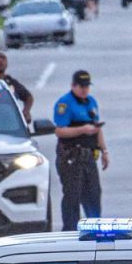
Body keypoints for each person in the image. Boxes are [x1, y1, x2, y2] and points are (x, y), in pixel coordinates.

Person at [51, 69, 109, 229]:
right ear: (73, 86)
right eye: (81, 86)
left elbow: (97, 128)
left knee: (94, 195)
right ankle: (70, 233)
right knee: (73, 196)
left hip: (89, 156)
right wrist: (81, 130)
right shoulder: (65, 103)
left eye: (87, 86)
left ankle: (94, 231)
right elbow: (59, 131)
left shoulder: (91, 101)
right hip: (71, 156)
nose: (84, 89)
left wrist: (104, 151)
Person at [0, 50, 34, 120]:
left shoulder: (11, 82)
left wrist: (25, 112)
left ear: (7, 63)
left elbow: (29, 97)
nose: (0, 60)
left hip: (9, 119)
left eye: (3, 58)